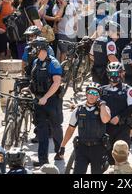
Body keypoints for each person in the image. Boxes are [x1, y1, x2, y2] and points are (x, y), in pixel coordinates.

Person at [58, 83, 111, 174]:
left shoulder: (104, 108)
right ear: (86, 94)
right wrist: (62, 146)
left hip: (98, 148)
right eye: (90, 92)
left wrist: (102, 105)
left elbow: (105, 119)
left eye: (95, 93)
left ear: (99, 96)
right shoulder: (78, 110)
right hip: (82, 148)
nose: (92, 95)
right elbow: (70, 129)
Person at [29, 37, 62, 166]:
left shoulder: (53, 63)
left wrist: (46, 97)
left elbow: (56, 83)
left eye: (34, 48)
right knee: (41, 129)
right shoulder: (35, 62)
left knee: (55, 127)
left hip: (52, 100)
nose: (32, 50)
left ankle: (59, 152)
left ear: (41, 49)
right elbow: (34, 81)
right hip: (39, 100)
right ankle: (43, 160)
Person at [100, 62, 132, 165]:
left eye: (116, 74)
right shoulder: (102, 90)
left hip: (122, 128)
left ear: (122, 74)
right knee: (107, 159)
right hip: (106, 128)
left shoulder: (128, 89)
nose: (114, 76)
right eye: (112, 74)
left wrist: (119, 117)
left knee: (121, 157)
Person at [90, 21, 120, 85]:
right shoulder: (110, 42)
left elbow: (91, 55)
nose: (118, 37)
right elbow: (111, 57)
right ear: (111, 31)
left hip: (95, 70)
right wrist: (121, 68)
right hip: (105, 73)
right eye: (117, 34)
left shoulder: (97, 40)